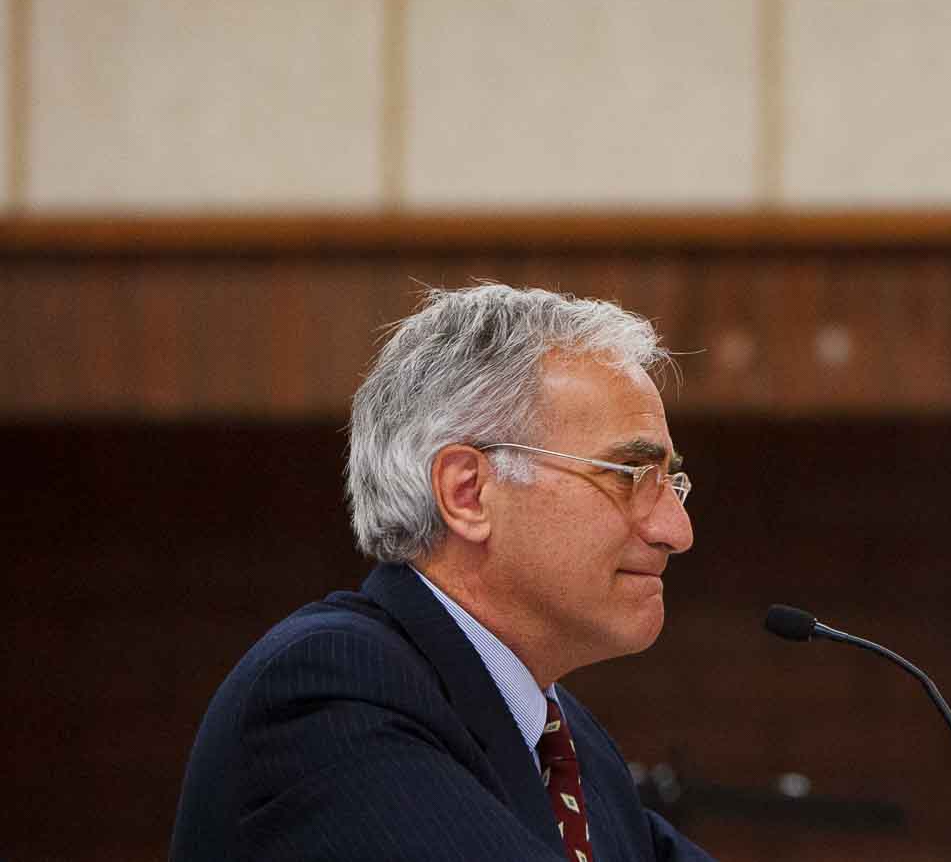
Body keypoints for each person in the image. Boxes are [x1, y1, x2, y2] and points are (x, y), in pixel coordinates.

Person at [170, 283, 713, 861]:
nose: (675, 532)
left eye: (670, 483)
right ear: (468, 493)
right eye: (629, 474)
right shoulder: (328, 693)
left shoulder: (572, 747)